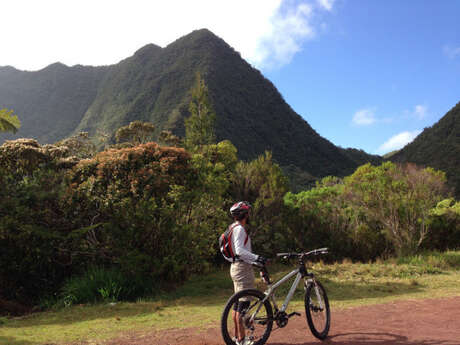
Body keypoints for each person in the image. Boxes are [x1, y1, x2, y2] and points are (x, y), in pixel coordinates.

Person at [228, 201, 267, 345]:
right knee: (243, 307)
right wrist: (257, 257)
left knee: (237, 305)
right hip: (242, 270)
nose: (249, 214)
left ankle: (237, 338)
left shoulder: (232, 228)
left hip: (237, 268)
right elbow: (240, 251)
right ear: (244, 214)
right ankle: (242, 340)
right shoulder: (240, 229)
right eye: (248, 212)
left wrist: (255, 261)